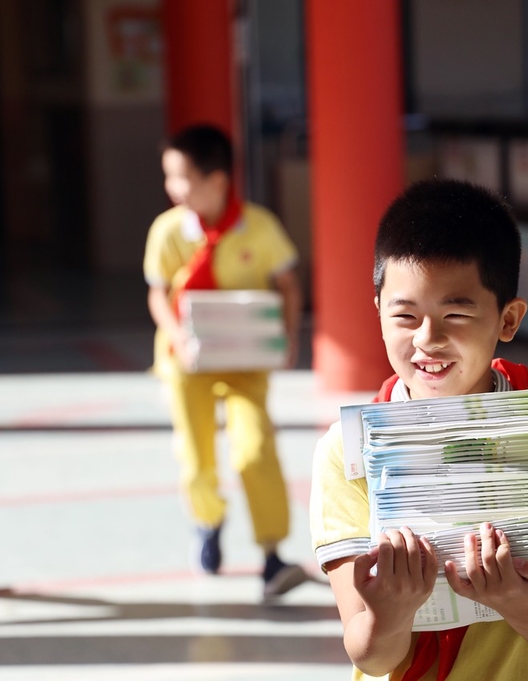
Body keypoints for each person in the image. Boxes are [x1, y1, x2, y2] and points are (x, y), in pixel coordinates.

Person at [309, 179, 528, 680]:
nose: (428, 340)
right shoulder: (348, 452)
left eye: (456, 313)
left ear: (508, 319)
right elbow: (369, 653)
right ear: (379, 314)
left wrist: (520, 603)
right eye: (405, 315)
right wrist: (393, 612)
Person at [143, 124, 307, 599]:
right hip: (185, 363)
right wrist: (177, 336)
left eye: (182, 178)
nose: (173, 189)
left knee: (255, 449)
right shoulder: (168, 231)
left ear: (217, 180)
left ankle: (273, 555)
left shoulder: (260, 227)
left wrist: (287, 336)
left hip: (244, 364)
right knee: (195, 458)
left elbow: (289, 286)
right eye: (169, 177)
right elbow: (157, 294)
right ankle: (207, 521)